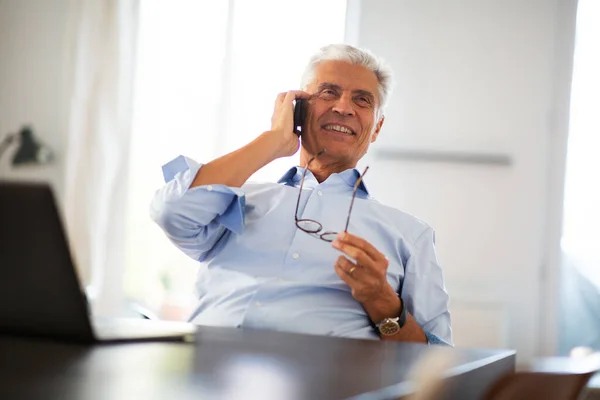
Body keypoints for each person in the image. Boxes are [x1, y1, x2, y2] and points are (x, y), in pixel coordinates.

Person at [150, 44, 452, 345]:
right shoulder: (234, 198)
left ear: (376, 128)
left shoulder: (411, 235)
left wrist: (383, 302)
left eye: (361, 100)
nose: (343, 107)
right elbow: (171, 212)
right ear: (297, 108)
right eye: (328, 92)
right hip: (210, 379)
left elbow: (436, 361)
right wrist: (274, 140)